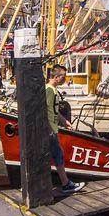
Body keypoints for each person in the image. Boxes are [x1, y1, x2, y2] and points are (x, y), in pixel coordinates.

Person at [45, 66, 84, 195]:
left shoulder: (53, 90)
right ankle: (66, 184)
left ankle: (60, 183)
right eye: (63, 77)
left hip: (53, 128)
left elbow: (53, 110)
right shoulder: (49, 91)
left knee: (56, 155)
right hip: (50, 130)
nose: (65, 79)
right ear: (56, 77)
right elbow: (44, 111)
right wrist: (50, 130)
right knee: (58, 155)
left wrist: (64, 121)